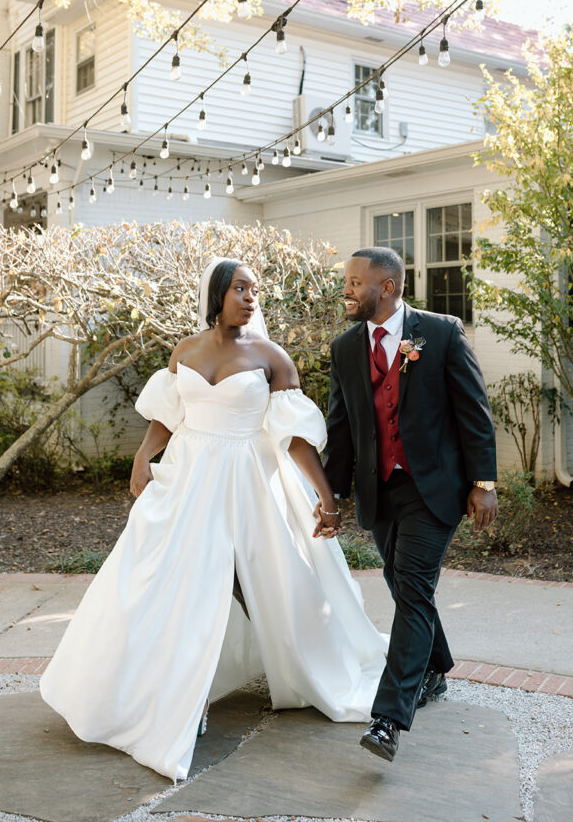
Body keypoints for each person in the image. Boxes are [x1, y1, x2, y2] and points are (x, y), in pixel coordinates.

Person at [40, 257, 388, 781]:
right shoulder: (185, 351)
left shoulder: (273, 358)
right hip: (189, 479)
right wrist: (142, 457)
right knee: (166, 583)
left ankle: (281, 668)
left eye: (255, 290)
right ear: (217, 294)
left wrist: (327, 498)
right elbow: (167, 415)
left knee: (254, 584)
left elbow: (294, 439)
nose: (251, 297)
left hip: (247, 479)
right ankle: (174, 694)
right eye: (240, 289)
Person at [323, 247, 498, 762]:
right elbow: (342, 428)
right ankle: (436, 668)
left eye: (358, 282)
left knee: (414, 587)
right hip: (381, 489)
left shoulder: (440, 332)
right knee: (401, 584)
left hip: (435, 487)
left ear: (390, 287)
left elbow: (475, 411)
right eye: (348, 281)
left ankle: (388, 719)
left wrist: (483, 481)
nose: (349, 290)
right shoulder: (344, 348)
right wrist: (330, 497)